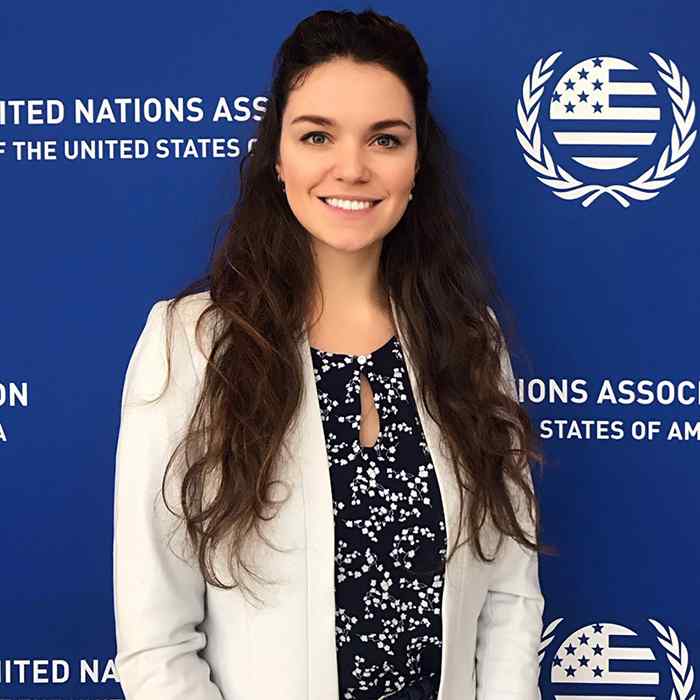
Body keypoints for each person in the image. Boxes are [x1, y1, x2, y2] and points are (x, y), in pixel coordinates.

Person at [112, 9, 552, 700]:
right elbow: (157, 644)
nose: (351, 168)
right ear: (278, 156)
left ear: (416, 164)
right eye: (317, 134)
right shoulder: (191, 344)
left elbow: (508, 598)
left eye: (385, 139)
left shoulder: (470, 339)